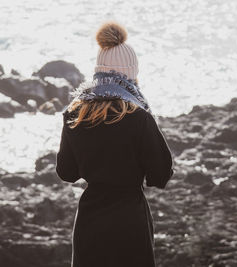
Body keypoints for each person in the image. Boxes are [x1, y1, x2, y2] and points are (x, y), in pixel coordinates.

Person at [55, 21, 174, 267]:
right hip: (130, 218)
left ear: (99, 71)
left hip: (90, 218)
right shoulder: (140, 116)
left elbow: (66, 173)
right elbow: (160, 174)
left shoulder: (74, 113)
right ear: (130, 73)